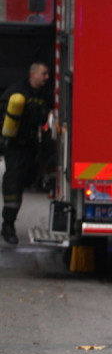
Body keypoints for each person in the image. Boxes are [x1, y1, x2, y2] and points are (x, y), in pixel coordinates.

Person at [1, 62, 52, 245]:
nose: (46, 77)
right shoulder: (16, 92)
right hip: (16, 146)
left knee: (29, 181)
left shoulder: (44, 95)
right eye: (43, 74)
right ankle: (8, 225)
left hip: (33, 146)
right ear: (33, 74)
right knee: (14, 184)